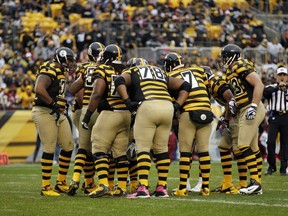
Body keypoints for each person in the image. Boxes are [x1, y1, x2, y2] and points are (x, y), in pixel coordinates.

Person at [115, 56, 191, 198]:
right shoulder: (159, 71)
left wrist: (127, 101)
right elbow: (185, 85)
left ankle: (142, 187)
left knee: (143, 148)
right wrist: (177, 105)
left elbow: (119, 80)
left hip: (148, 105)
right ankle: (162, 187)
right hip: (167, 107)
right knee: (161, 149)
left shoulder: (134, 70)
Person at [82, 44, 130, 198]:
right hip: (126, 114)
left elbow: (96, 93)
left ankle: (103, 184)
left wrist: (88, 115)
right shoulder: (126, 70)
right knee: (120, 153)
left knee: (99, 147)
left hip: (111, 112)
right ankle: (121, 187)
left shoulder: (102, 69)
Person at [163, 53, 214, 197]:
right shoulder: (198, 70)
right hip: (206, 110)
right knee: (203, 151)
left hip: (189, 112)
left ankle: (182, 188)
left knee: (185, 151)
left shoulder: (172, 75)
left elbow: (174, 98)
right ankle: (205, 187)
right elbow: (208, 88)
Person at [31, 47, 76, 196]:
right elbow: (39, 88)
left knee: (68, 146)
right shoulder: (49, 67)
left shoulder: (60, 71)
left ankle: (61, 182)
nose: (70, 63)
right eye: (68, 60)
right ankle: (45, 187)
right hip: (44, 111)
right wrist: (53, 103)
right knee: (49, 147)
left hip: (57, 112)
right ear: (62, 58)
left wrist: (59, 104)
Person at [222, 44, 265, 195]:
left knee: (242, 144)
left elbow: (259, 84)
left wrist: (254, 105)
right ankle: (257, 183)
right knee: (252, 147)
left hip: (251, 107)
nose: (224, 60)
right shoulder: (230, 71)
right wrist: (234, 101)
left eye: (225, 57)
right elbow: (241, 90)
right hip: (244, 108)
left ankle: (255, 183)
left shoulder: (241, 65)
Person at [67, 42, 105, 196]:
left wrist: (85, 109)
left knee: (84, 147)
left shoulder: (83, 68)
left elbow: (74, 90)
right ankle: (104, 183)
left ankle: (79, 180)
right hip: (98, 111)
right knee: (101, 149)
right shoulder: (105, 68)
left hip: (82, 110)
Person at [208, 73, 248, 194]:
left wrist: (229, 117)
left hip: (239, 115)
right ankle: (227, 183)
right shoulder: (213, 84)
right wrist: (224, 119)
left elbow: (231, 100)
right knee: (223, 147)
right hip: (231, 116)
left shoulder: (215, 83)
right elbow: (228, 103)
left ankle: (243, 183)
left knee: (238, 150)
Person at [263, 66, 288, 176]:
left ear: (287, 77)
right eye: (280, 75)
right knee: (270, 142)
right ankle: (271, 166)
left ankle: (284, 168)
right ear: (277, 77)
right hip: (274, 117)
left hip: (286, 117)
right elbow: (265, 92)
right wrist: (278, 87)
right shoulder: (271, 87)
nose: (282, 77)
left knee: (285, 143)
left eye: (284, 75)